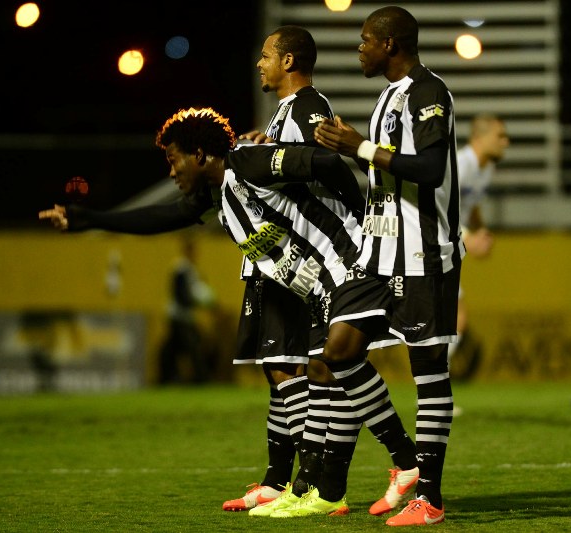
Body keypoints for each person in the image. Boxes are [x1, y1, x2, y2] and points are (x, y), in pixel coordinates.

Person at [39, 106, 419, 518]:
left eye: (173, 159)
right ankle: (342, 481)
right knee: (329, 369)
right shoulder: (218, 193)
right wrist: (89, 219)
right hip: (317, 289)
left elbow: (322, 160)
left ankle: (396, 465)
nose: (171, 172)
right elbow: (164, 217)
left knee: (336, 362)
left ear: (200, 154)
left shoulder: (247, 161)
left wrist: (360, 215)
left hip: (348, 268)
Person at [314, 6, 461, 526]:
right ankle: (404, 462)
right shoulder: (388, 96)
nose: (360, 48)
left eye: (365, 41)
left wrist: (361, 146)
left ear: (391, 44)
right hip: (378, 256)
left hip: (424, 255)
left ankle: (432, 499)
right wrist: (338, 151)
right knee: (340, 351)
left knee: (428, 373)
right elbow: (381, 169)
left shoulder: (428, 93)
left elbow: (430, 169)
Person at [221, 25, 343, 514]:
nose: (259, 63)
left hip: (307, 255)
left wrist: (348, 233)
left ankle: (318, 481)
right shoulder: (286, 112)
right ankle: (283, 480)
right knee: (283, 366)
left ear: (289, 61)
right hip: (287, 254)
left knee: (315, 366)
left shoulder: (310, 105)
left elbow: (329, 164)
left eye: (267, 55)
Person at [449, 113, 509, 377]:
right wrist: (467, 237)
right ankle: (433, 389)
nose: (506, 142)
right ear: (478, 137)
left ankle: (434, 389)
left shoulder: (485, 168)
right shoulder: (461, 164)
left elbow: (469, 205)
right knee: (455, 317)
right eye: (500, 136)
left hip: (448, 244)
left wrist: (480, 229)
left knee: (454, 318)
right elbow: (438, 206)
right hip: (431, 243)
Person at [158, 237, 218, 384]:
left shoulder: (190, 269)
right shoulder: (181, 268)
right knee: (193, 347)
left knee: (172, 349)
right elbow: (180, 293)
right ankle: (201, 378)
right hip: (179, 316)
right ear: (187, 250)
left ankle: (168, 377)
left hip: (183, 316)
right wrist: (196, 301)